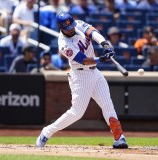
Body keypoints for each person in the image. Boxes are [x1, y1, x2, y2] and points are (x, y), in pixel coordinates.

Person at [36, 13, 128, 149]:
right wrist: (101, 59)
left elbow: (92, 32)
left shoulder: (76, 23)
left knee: (107, 105)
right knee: (77, 113)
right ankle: (46, 132)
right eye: (68, 28)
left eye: (72, 26)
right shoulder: (63, 44)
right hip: (80, 76)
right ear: (61, 28)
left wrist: (105, 44)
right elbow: (83, 60)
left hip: (95, 73)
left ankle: (119, 138)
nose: (72, 29)